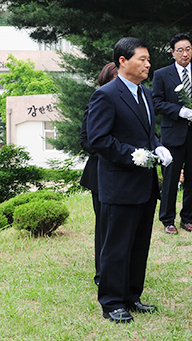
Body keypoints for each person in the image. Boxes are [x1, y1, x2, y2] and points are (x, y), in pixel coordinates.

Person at [87, 37, 172, 324]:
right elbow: (98, 138)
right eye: (142, 59)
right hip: (119, 183)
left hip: (145, 184)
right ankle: (111, 302)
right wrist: (132, 155)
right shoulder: (106, 95)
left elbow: (147, 133)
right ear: (123, 61)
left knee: (139, 244)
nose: (148, 64)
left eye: (149, 59)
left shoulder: (145, 94)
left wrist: (157, 145)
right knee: (116, 246)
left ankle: (132, 295)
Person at [151, 33, 192, 234]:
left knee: (191, 178)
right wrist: (179, 111)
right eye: (180, 50)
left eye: (188, 49)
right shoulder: (162, 74)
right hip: (173, 134)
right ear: (172, 52)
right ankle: (167, 219)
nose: (185, 53)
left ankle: (187, 218)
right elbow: (156, 102)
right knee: (170, 178)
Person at [78, 62, 118, 286]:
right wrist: (112, 151)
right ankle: (102, 273)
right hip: (100, 173)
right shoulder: (98, 100)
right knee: (103, 226)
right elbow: (86, 140)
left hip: (124, 174)